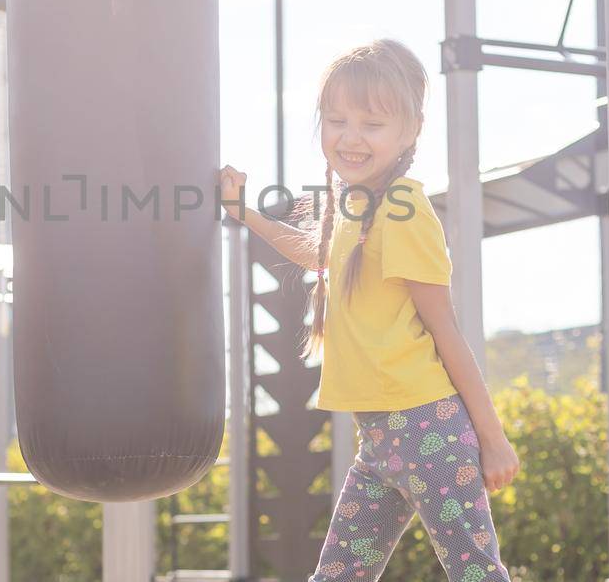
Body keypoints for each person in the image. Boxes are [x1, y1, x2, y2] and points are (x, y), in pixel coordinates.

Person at [219, 39, 518, 581]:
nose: (350, 137)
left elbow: (444, 327)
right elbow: (319, 253)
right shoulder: (357, 202)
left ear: (410, 130)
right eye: (336, 120)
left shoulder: (404, 208)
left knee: (476, 574)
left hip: (429, 427)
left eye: (372, 124)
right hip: (379, 436)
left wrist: (492, 439)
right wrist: (245, 214)